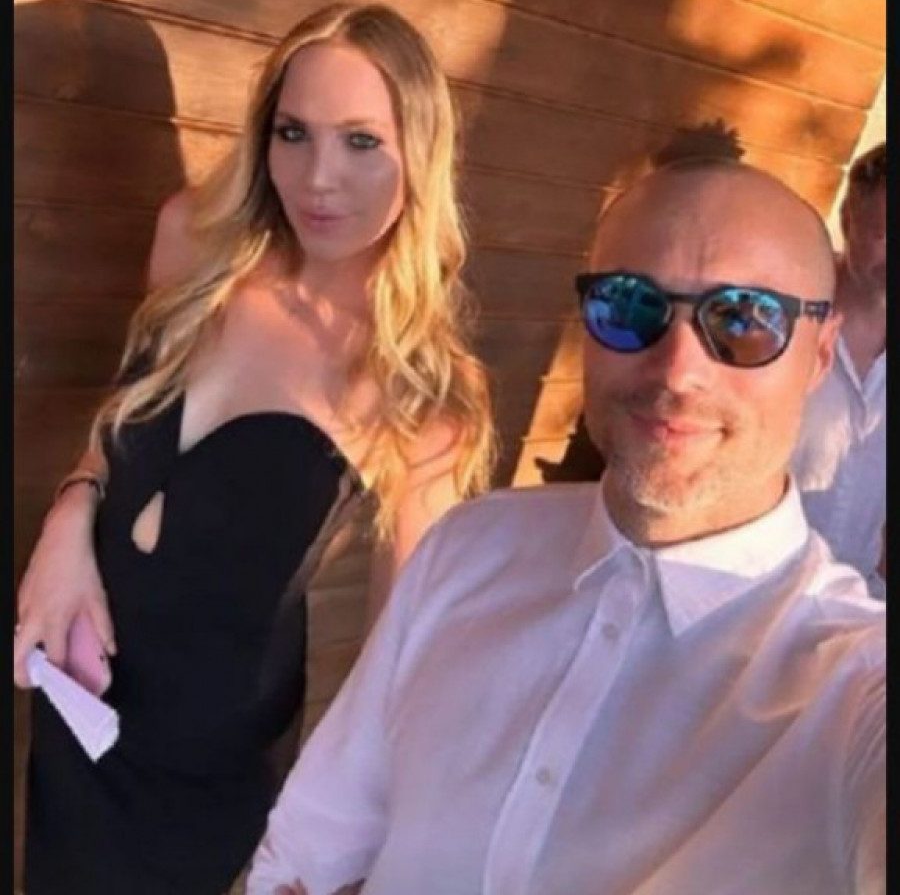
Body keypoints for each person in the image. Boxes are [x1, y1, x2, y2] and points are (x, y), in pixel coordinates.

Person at [246, 159, 885, 895]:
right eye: (630, 304)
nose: (678, 370)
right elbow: (314, 845)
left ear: (820, 352)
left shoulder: (852, 684)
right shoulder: (469, 547)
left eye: (744, 320)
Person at [14, 0, 495, 895]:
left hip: (208, 770)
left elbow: (403, 663)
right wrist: (69, 516)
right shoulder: (193, 242)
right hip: (80, 700)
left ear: (420, 155)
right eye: (293, 133)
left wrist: (354, 851)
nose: (318, 179)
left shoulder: (419, 385)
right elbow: (126, 420)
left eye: (362, 142)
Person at [792, 142, 886, 596]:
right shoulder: (784, 322)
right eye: (886, 233)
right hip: (744, 596)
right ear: (848, 218)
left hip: (855, 602)